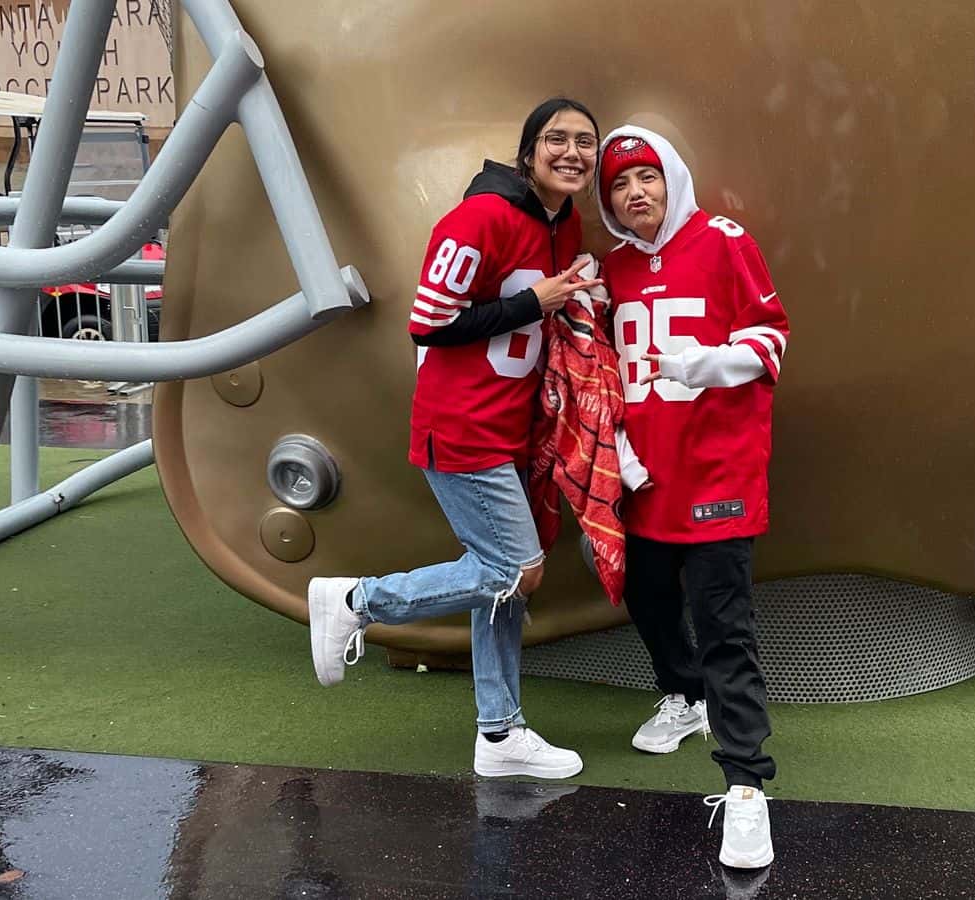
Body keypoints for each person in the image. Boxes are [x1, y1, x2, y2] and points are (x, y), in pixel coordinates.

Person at [306, 98, 604, 779]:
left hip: (512, 425)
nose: (572, 152)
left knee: (501, 581)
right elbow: (429, 322)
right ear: (528, 151)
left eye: (585, 141)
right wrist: (533, 303)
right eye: (556, 138)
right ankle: (355, 602)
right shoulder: (480, 217)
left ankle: (499, 733)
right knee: (512, 572)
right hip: (465, 424)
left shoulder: (564, 223)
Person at [596, 125, 790, 869]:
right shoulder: (611, 269)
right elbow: (594, 371)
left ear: (672, 177)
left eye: (646, 176)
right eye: (619, 184)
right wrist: (616, 454)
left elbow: (771, 339)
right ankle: (683, 696)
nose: (635, 192)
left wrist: (704, 363)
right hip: (643, 478)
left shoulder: (723, 240)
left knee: (724, 630)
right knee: (644, 596)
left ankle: (745, 787)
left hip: (715, 474)